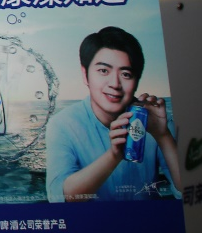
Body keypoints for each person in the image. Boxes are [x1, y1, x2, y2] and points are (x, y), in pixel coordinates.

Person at [45, 26, 182, 202]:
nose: (115, 84)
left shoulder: (155, 121)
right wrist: (114, 155)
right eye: (104, 71)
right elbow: (58, 196)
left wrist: (163, 136)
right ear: (85, 75)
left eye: (126, 74)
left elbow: (187, 194)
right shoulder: (62, 124)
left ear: (137, 80)